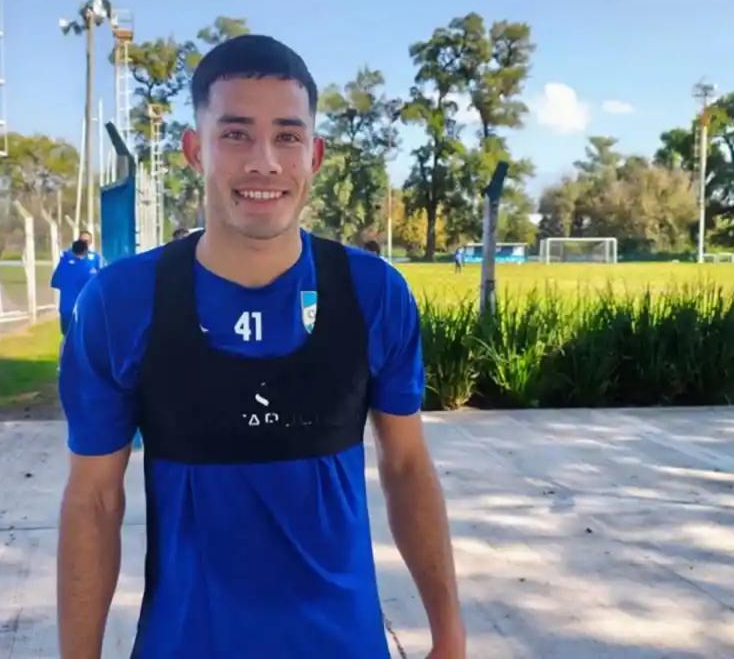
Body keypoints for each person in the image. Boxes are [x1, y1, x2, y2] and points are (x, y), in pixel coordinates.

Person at [57, 35, 465, 659]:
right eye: (236, 134)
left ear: (315, 155)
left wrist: (449, 634)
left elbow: (407, 467)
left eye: (288, 137)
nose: (265, 162)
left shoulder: (373, 294)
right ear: (195, 149)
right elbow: (94, 499)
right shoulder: (122, 303)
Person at [50, 239, 98, 336]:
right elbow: (93, 290)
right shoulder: (89, 269)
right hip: (82, 310)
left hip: (66, 309)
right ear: (86, 251)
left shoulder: (63, 266)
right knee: (82, 338)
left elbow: (54, 282)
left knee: (67, 337)